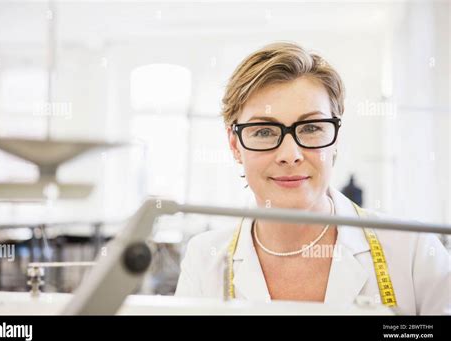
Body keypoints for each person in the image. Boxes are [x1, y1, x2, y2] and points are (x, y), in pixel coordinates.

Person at [175, 42, 450, 315]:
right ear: (235, 145)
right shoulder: (203, 261)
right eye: (263, 131)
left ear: (336, 139)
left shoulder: (413, 249)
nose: (290, 154)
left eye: (310, 128)